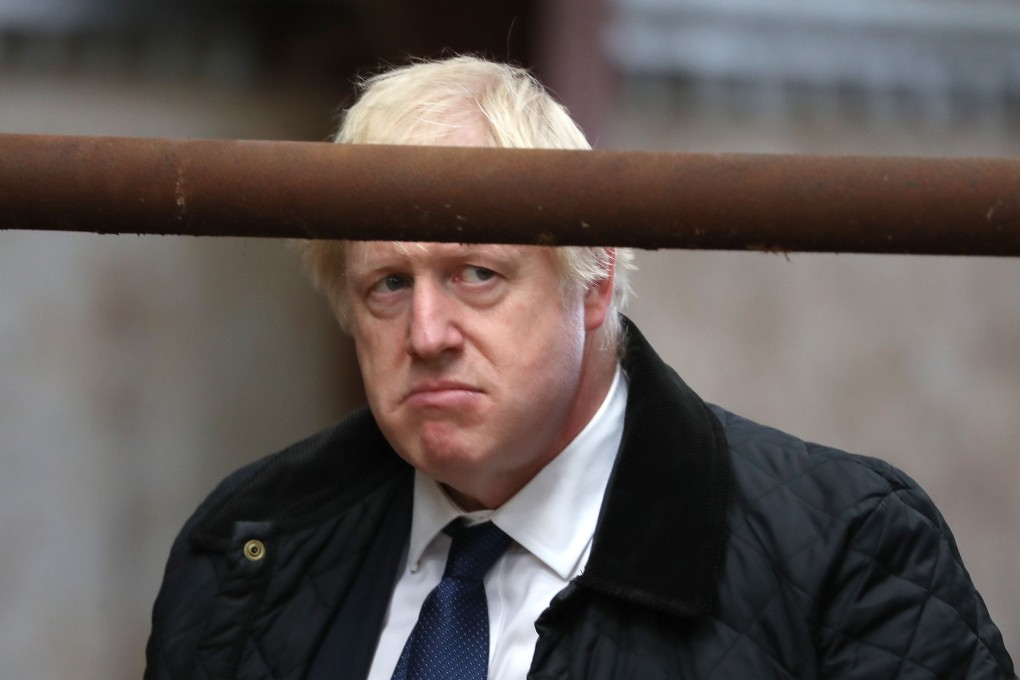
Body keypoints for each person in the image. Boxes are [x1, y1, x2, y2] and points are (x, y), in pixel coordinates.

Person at [145, 56, 1016, 680]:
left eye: (476, 274)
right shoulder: (247, 545)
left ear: (592, 282)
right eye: (387, 284)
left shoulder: (842, 554)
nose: (427, 331)